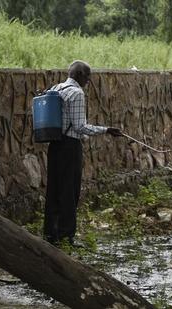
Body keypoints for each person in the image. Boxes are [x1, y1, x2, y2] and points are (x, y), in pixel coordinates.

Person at [44, 60, 122, 246]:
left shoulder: (56, 88)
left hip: (54, 145)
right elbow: (80, 127)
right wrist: (106, 130)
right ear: (79, 75)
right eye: (88, 76)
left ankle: (50, 234)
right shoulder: (77, 93)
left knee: (53, 190)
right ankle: (66, 236)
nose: (89, 81)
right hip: (70, 146)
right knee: (70, 192)